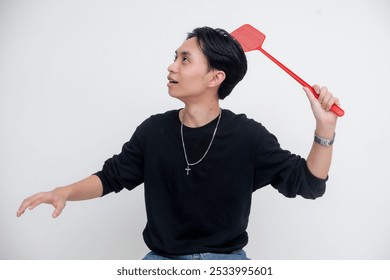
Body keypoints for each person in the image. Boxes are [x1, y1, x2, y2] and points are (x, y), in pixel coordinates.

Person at [16, 26, 340, 260]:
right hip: (160, 263)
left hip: (224, 264)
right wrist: (64, 193)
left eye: (185, 59)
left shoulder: (248, 136)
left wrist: (324, 129)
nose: (171, 66)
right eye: (175, 57)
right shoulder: (154, 131)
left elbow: (310, 184)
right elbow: (111, 177)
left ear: (215, 78)